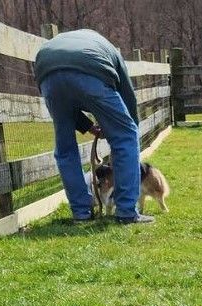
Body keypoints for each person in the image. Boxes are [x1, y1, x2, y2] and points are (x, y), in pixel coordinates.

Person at [33, 29, 151, 225]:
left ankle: (81, 213)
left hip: (47, 72)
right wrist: (129, 128)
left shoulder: (60, 43)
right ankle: (127, 212)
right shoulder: (109, 49)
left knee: (65, 149)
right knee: (126, 136)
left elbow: (62, 101)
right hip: (91, 70)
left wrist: (89, 126)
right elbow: (127, 97)